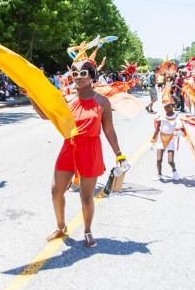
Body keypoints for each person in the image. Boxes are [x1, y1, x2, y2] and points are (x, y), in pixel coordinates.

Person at [30, 58, 127, 248]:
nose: (78, 77)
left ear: (91, 76)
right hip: (69, 146)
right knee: (56, 190)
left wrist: (119, 153)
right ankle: (60, 227)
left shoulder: (102, 102)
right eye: (74, 74)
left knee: (85, 195)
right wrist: (31, 95)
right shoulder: (67, 99)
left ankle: (88, 230)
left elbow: (108, 129)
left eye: (83, 73)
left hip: (90, 150)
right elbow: (44, 115)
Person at [151, 102, 182, 181]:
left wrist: (178, 132)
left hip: (170, 139)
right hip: (161, 139)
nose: (165, 108)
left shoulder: (177, 116)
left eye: (167, 106)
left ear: (172, 106)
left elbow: (180, 128)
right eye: (164, 107)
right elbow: (157, 129)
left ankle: (175, 172)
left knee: (170, 161)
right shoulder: (161, 116)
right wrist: (152, 141)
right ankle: (159, 174)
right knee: (158, 160)